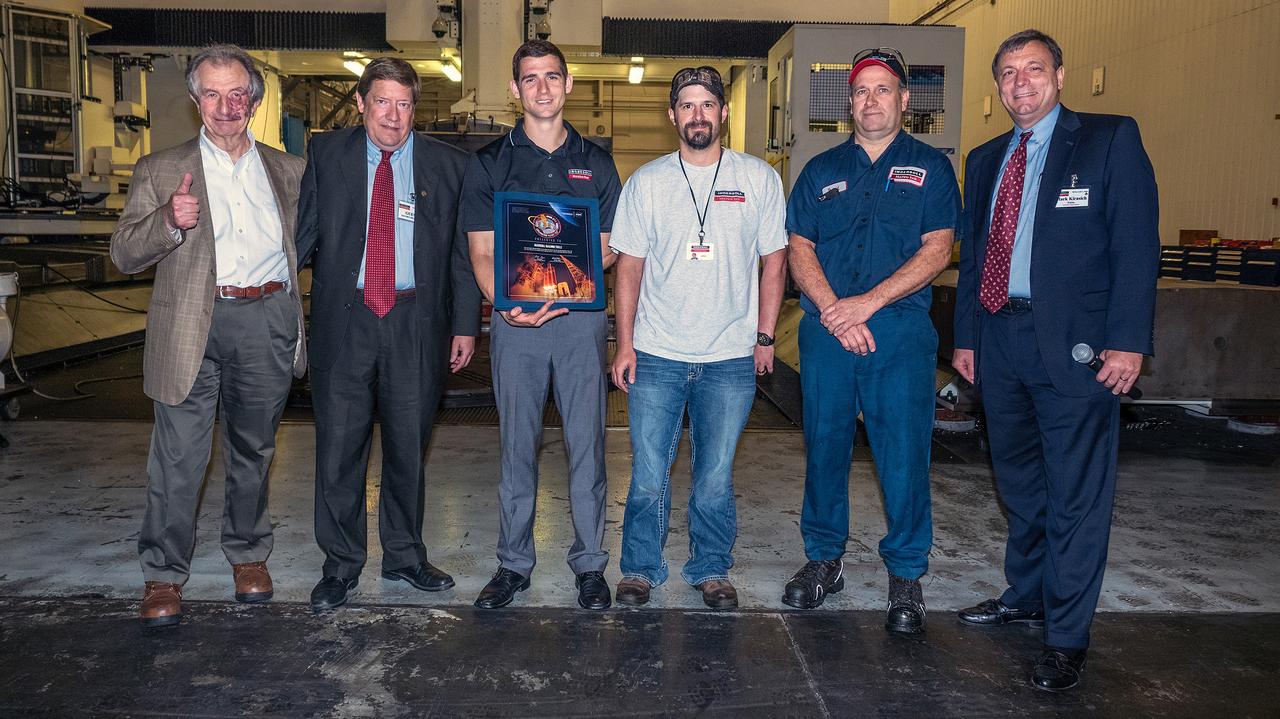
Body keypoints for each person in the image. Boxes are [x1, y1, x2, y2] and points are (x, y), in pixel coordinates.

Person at [951, 29, 1158, 691]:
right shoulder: (985, 158)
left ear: (1061, 76)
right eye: (1008, 74)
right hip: (1001, 340)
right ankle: (1027, 593)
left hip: (1076, 348)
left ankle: (1065, 635)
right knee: (1019, 483)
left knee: (1075, 494)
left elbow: (1135, 247)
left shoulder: (1108, 139)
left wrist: (1129, 341)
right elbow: (976, 257)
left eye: (1033, 70)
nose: (1021, 84)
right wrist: (966, 338)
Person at [110, 45, 307, 627]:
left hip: (267, 317)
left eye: (238, 93)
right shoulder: (160, 169)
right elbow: (122, 253)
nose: (227, 106)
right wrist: (168, 220)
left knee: (254, 449)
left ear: (254, 99)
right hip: (189, 323)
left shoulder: (289, 171)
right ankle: (164, 574)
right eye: (213, 94)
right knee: (178, 457)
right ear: (196, 101)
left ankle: (249, 555)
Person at [782, 49, 959, 634]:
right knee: (824, 447)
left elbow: (937, 249)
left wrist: (868, 305)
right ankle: (824, 561)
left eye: (884, 89)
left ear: (905, 100)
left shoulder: (931, 168)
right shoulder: (818, 170)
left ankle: (906, 575)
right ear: (849, 103)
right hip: (828, 331)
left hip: (900, 333)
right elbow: (798, 247)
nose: (872, 100)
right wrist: (837, 311)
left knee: (904, 456)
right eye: (861, 91)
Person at [296, 57, 480, 612]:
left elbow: (461, 256)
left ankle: (404, 556)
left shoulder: (448, 166)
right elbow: (301, 236)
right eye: (382, 101)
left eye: (404, 104)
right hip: (345, 322)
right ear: (360, 102)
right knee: (339, 450)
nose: (393, 116)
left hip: (414, 323)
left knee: (407, 447)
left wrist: (465, 325)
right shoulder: (327, 155)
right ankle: (341, 564)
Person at [608, 67, 787, 610]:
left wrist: (764, 336)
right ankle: (640, 568)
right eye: (687, 106)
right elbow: (629, 268)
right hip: (658, 351)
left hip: (730, 356)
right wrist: (624, 343)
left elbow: (774, 262)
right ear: (672, 115)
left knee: (714, 477)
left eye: (708, 104)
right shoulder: (648, 182)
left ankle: (710, 568)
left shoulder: (758, 179)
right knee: (646, 476)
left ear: (724, 112)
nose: (698, 115)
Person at [463, 39, 621, 611]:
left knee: (588, 446)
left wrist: (570, 272)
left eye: (552, 76)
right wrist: (501, 301)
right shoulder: (489, 163)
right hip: (516, 325)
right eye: (530, 79)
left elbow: (607, 248)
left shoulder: (596, 162)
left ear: (568, 83)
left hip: (580, 324)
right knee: (517, 447)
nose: (543, 88)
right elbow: (481, 252)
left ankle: (589, 565)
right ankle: (513, 564)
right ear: (515, 89)